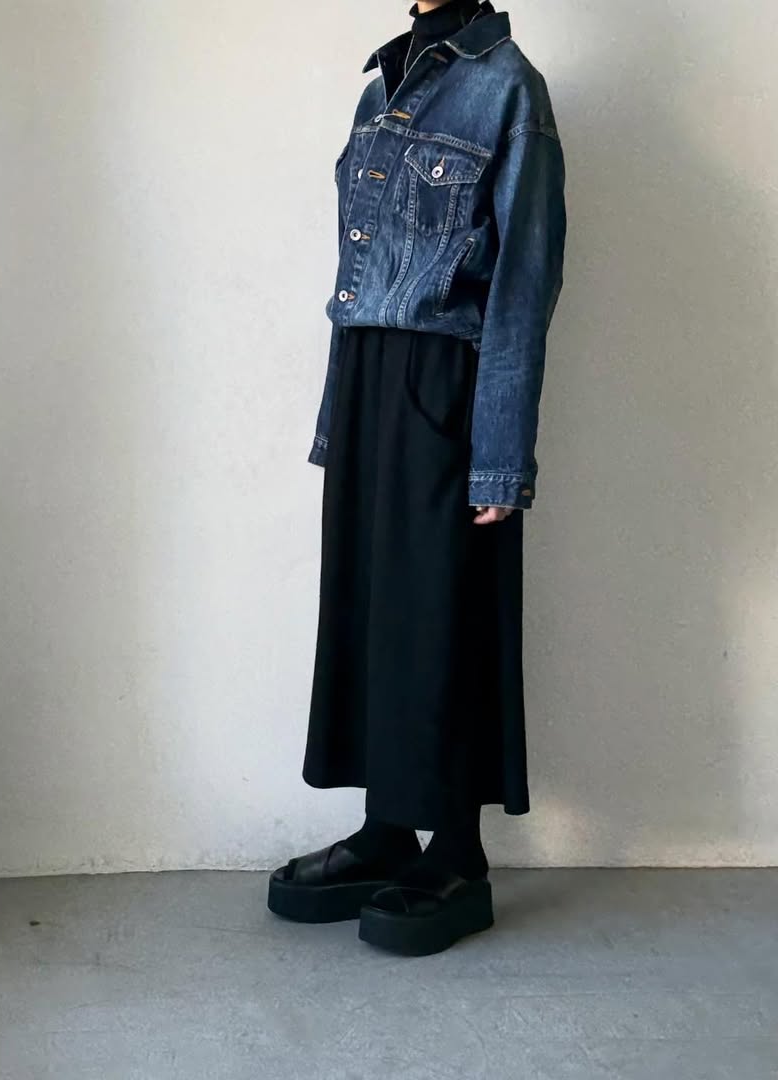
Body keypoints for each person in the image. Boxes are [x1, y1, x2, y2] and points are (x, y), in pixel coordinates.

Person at [267, 0, 567, 956]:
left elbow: (524, 283)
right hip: (367, 381)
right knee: (371, 611)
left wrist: (500, 452)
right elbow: (353, 277)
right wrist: (336, 417)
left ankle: (459, 854)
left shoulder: (509, 90)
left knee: (442, 614)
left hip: (448, 386)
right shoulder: (379, 91)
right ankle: (387, 831)